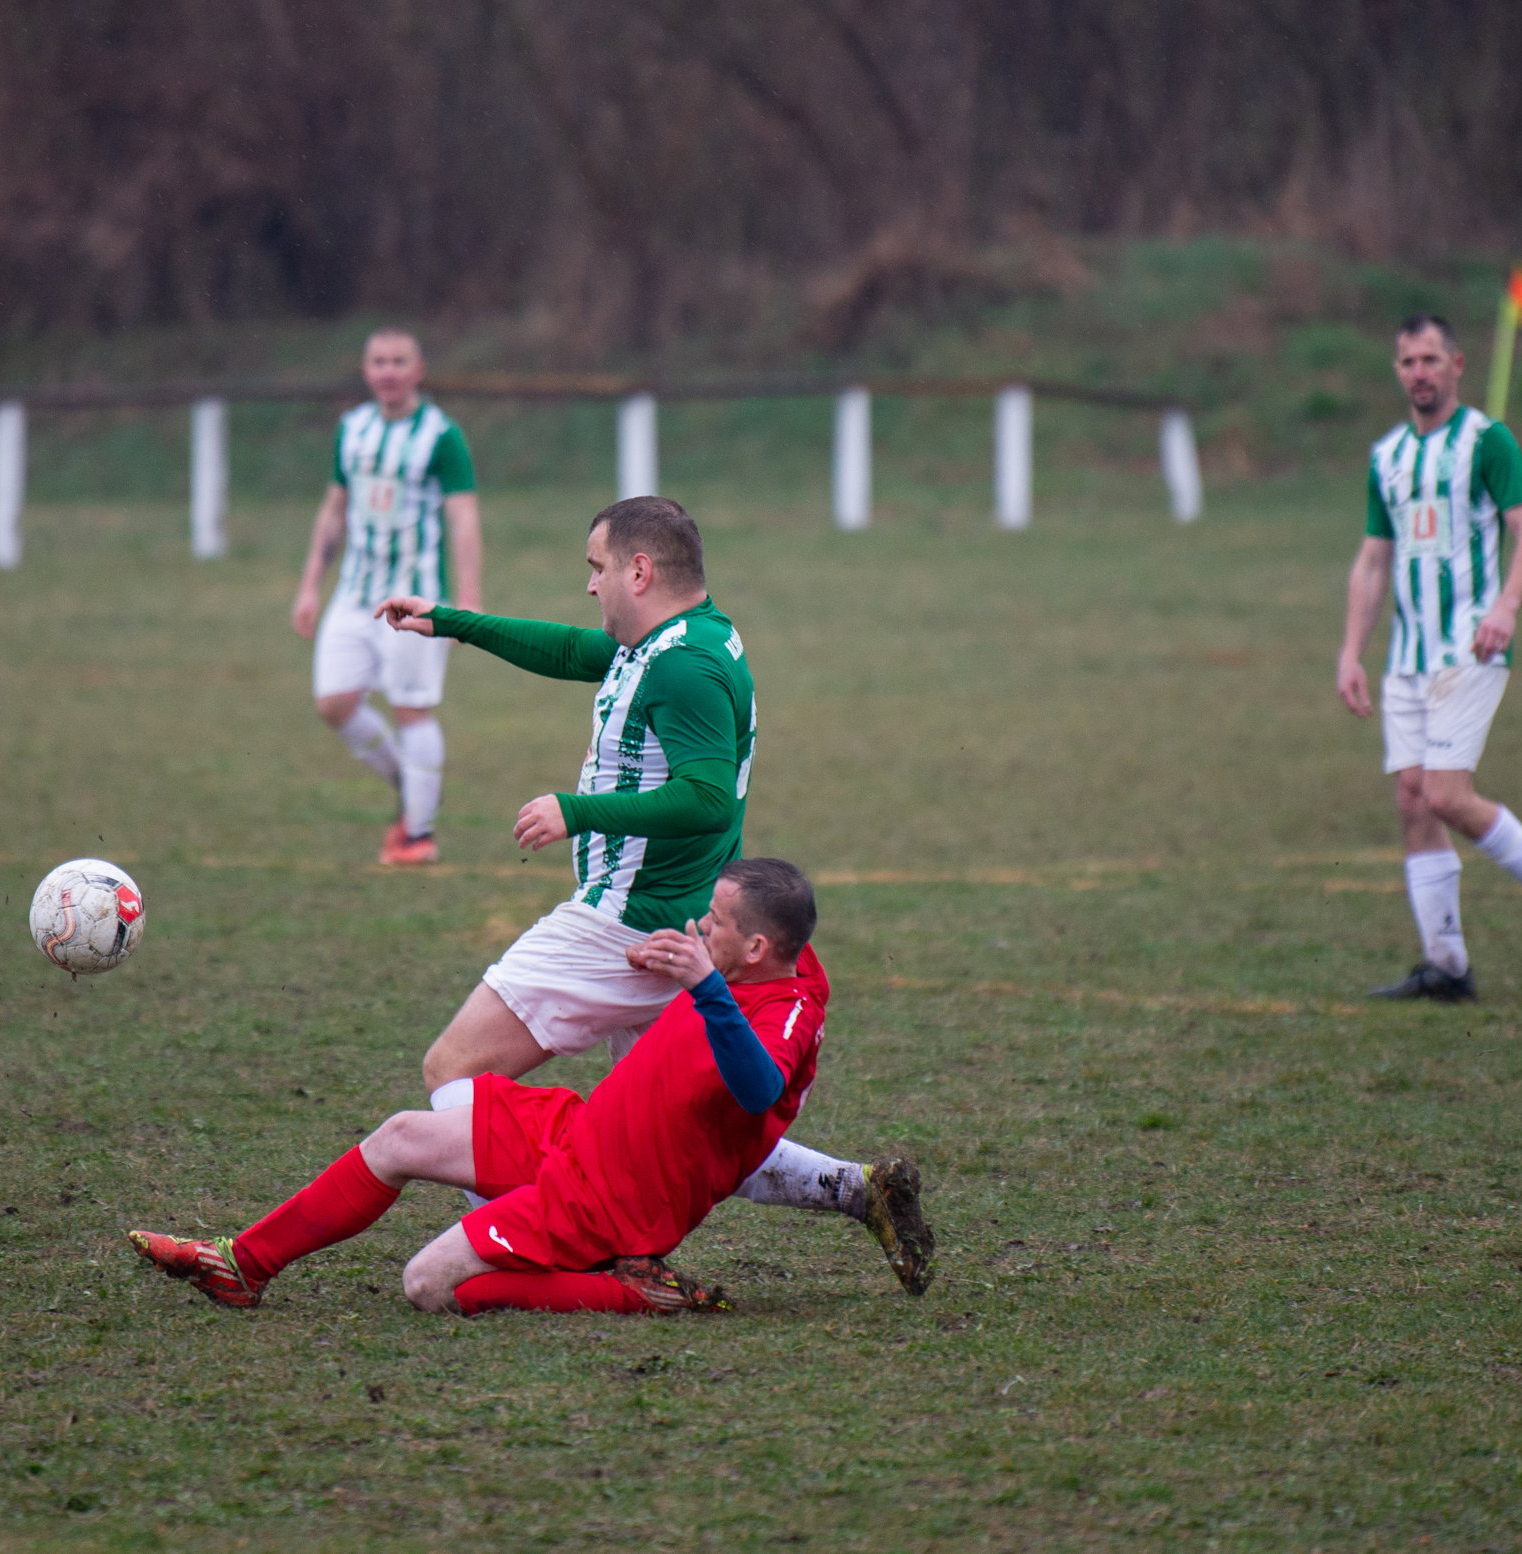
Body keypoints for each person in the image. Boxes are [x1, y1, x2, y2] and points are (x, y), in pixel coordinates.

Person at [374, 496, 914, 1255]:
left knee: (454, 1065)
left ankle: (542, 1234)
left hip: (623, 921)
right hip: (681, 929)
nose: (590, 586)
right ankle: (858, 1189)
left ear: (640, 569)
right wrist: (453, 621)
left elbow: (703, 794)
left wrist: (577, 809)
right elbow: (568, 652)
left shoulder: (684, 668)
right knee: (679, 1128)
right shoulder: (687, 639)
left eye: (597, 569)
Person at [130, 860, 933, 1313]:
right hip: (575, 1133)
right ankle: (245, 1265)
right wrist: (692, 970)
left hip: (610, 1200)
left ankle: (633, 1291)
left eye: (715, 922)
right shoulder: (763, 961)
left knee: (428, 1286)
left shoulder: (786, 1010)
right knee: (401, 1135)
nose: (700, 927)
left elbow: (758, 1090)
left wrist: (706, 986)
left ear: (757, 945)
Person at [1336, 314, 1522, 1001]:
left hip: (1469, 647)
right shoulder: (1387, 456)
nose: (1418, 372)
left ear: (1456, 365)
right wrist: (1350, 654)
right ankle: (1448, 968)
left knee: (1446, 795)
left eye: (1430, 359)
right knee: (1412, 801)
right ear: (1397, 371)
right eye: (1407, 362)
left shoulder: (1488, 440)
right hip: (1408, 656)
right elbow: (1372, 560)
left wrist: (1506, 607)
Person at [291, 328, 482, 865]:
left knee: (410, 707)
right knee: (333, 702)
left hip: (415, 597)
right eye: (378, 361)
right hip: (353, 594)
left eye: (399, 361)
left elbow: (463, 515)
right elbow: (334, 509)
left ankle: (417, 833)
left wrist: (467, 597)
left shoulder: (442, 436)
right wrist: (309, 586)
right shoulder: (351, 430)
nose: (388, 371)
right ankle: (412, 782)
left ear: (418, 370)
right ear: (366, 369)